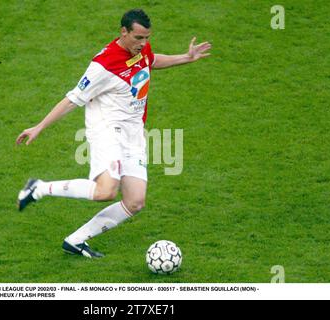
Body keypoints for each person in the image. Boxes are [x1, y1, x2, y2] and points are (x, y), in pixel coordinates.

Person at [16, 9, 211, 258]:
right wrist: (39, 126)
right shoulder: (104, 65)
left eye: (147, 38)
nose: (143, 44)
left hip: (133, 133)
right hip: (107, 129)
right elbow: (72, 99)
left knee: (135, 202)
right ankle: (39, 188)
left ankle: (75, 241)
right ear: (124, 32)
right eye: (138, 38)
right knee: (106, 191)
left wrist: (185, 57)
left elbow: (151, 61)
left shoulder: (141, 50)